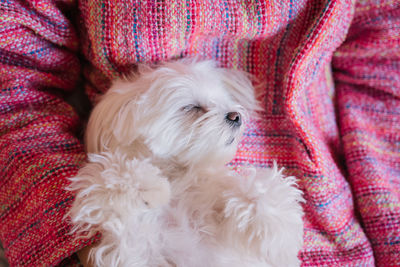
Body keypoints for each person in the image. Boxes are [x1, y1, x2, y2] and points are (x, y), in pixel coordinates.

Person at [0, 0, 399, 266]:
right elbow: (13, 85)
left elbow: (384, 76)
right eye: (193, 109)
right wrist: (70, 231)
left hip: (334, 237)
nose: (234, 118)